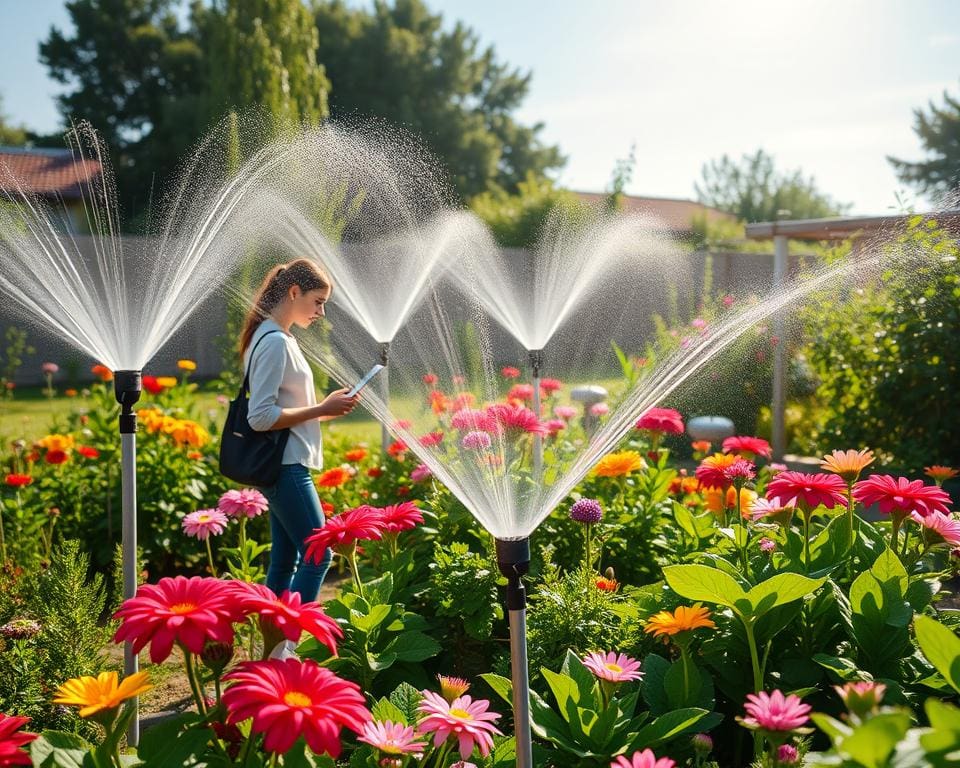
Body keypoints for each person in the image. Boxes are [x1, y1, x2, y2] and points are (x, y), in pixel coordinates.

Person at [240, 259, 357, 632]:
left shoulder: (274, 336)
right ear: (294, 292)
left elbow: (285, 409)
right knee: (318, 555)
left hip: (283, 465)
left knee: (284, 560)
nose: (321, 312)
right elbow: (259, 417)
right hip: (287, 468)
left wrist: (326, 410)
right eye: (318, 301)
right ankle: (290, 640)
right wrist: (322, 407)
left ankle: (273, 646)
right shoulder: (274, 341)